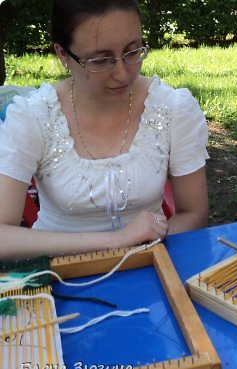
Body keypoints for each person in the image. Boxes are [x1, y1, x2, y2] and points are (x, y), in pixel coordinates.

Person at [0, 0, 209, 261]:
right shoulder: (34, 117)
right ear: (63, 54)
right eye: (100, 60)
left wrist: (137, 255)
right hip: (59, 275)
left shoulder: (173, 109)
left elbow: (193, 213)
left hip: (150, 266)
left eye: (133, 52)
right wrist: (116, 242)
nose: (122, 74)